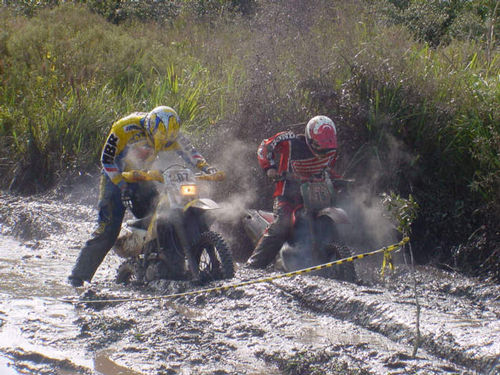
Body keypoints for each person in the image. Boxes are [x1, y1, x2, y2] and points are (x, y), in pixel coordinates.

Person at [68, 106, 223, 287]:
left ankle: (168, 264)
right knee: (108, 228)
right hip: (115, 176)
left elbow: (191, 152)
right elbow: (106, 160)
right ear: (150, 128)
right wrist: (122, 184)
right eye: (160, 138)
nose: (163, 143)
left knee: (162, 211)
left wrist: (207, 168)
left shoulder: (172, 132)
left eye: (167, 141)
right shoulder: (124, 129)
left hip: (142, 175)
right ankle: (77, 278)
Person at [246, 115, 340, 269]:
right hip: (287, 196)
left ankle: (343, 261)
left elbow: (327, 169)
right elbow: (264, 147)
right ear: (310, 138)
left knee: (339, 213)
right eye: (320, 148)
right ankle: (253, 266)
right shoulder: (290, 141)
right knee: (282, 224)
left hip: (316, 195)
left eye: (327, 150)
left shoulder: (330, 149)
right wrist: (270, 168)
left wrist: (341, 182)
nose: (324, 153)